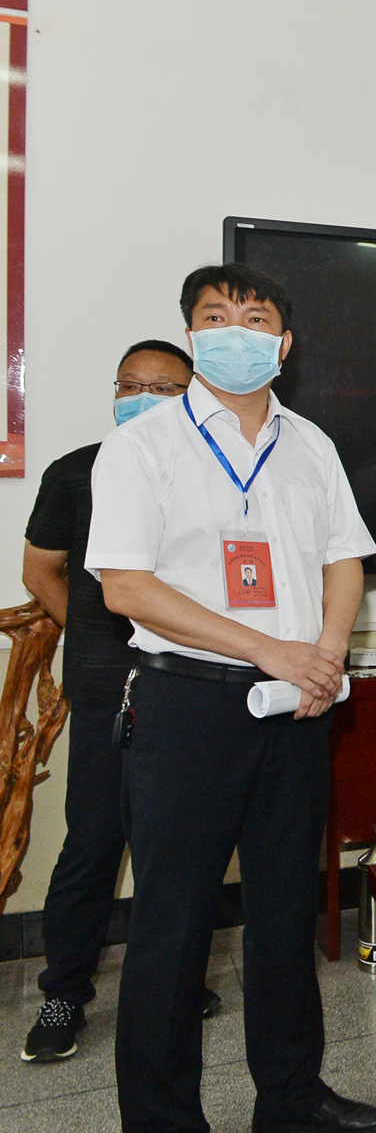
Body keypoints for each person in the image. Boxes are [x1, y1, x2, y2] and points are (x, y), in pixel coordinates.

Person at [87, 264, 376, 1133]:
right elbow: (126, 585)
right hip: (188, 706)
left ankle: (289, 1090)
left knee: (287, 908)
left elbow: (345, 559)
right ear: (192, 334)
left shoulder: (311, 444)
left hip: (297, 705)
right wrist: (268, 649)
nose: (235, 331)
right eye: (215, 316)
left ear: (283, 344)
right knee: (173, 925)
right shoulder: (142, 445)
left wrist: (324, 654)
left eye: (254, 319)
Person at [19, 342, 207, 1065]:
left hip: (188, 686)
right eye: (129, 385)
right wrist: (93, 633)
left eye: (162, 386)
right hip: (105, 690)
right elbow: (40, 571)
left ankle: (175, 982)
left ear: (192, 395)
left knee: (179, 848)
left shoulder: (209, 474)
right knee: (93, 843)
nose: (142, 396)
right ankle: (64, 992)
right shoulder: (75, 472)